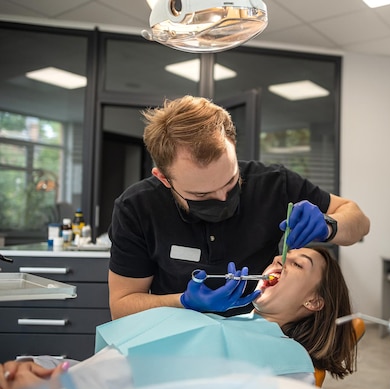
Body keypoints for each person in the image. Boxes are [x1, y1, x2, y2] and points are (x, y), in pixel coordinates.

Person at [107, 95, 370, 320]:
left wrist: (328, 225)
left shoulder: (274, 184)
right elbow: (121, 306)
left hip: (256, 336)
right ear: (164, 178)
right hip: (177, 342)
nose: (222, 197)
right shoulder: (137, 207)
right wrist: (183, 302)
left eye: (231, 181)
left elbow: (359, 222)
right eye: (202, 194)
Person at [0, 246, 357, 389]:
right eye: (282, 255)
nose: (280, 259)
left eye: (298, 264)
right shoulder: (225, 320)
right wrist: (45, 368)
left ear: (313, 302)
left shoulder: (290, 359)